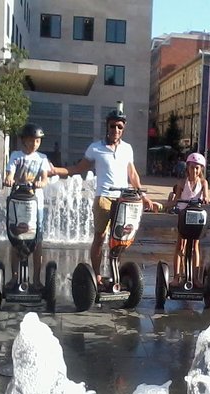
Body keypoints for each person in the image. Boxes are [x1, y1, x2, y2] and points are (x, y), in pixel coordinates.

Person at [52, 103, 154, 286]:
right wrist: (56, 170)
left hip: (123, 200)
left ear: (123, 129)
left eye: (120, 126)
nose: (116, 129)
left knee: (121, 239)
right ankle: (97, 276)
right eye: (113, 126)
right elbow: (78, 168)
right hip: (104, 198)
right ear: (107, 126)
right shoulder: (95, 148)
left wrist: (143, 195)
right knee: (99, 237)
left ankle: (115, 275)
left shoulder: (127, 149)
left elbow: (132, 174)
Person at [3, 123, 53, 290]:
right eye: (31, 140)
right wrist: (9, 179)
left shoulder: (42, 158)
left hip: (35, 203)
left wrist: (41, 182)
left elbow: (45, 178)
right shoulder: (16, 156)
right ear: (24, 140)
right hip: (17, 202)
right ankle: (14, 277)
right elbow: (10, 172)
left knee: (37, 240)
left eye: (37, 141)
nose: (34, 144)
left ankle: (37, 280)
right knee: (17, 238)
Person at [166, 152, 209, 287]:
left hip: (196, 215)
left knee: (195, 246)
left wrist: (206, 199)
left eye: (197, 168)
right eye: (192, 167)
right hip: (183, 215)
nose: (194, 170)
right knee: (181, 245)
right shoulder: (182, 183)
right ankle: (176, 277)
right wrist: (166, 205)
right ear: (187, 168)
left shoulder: (203, 182)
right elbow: (177, 199)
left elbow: (206, 196)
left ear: (201, 169)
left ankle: (195, 278)